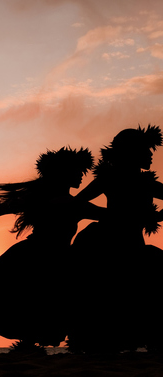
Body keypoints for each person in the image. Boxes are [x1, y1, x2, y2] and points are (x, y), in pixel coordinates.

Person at [0, 146, 105, 346]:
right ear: (64, 173)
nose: (81, 176)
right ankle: (32, 337)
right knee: (31, 301)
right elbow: (0, 209)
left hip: (36, 256)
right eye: (78, 172)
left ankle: (30, 339)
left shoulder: (47, 201)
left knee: (17, 300)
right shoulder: (71, 204)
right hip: (43, 257)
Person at [67, 125, 163, 352]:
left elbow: (77, 203)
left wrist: (154, 216)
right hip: (108, 245)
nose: (151, 155)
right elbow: (77, 203)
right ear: (132, 152)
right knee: (116, 293)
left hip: (129, 244)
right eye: (146, 151)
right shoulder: (111, 179)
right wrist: (107, 214)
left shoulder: (141, 182)